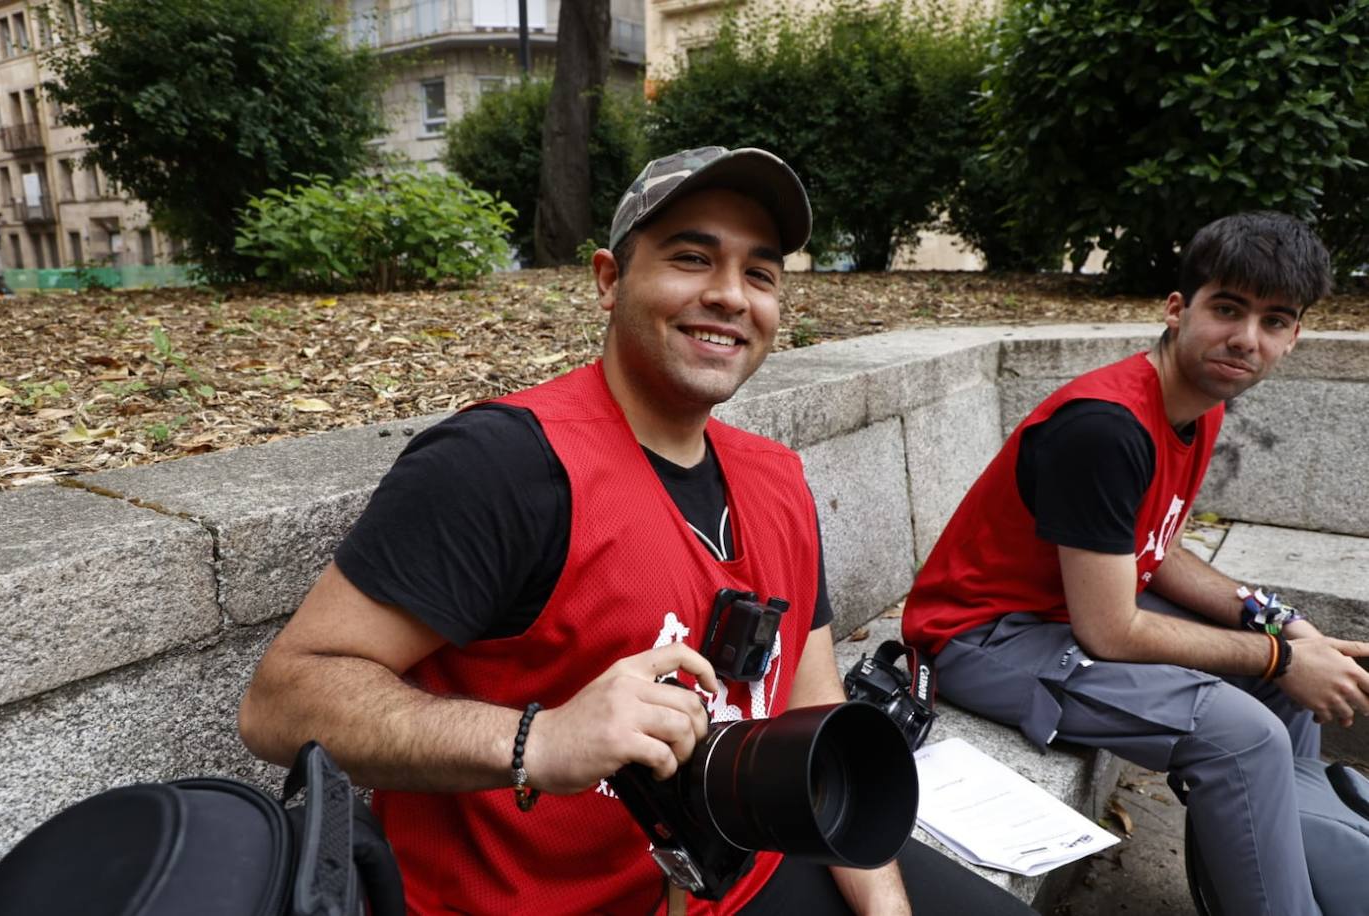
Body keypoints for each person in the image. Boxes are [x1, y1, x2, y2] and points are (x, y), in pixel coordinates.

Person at [239, 146, 1033, 916]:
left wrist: (886, 908)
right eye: (691, 258)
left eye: (759, 273)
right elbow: (280, 703)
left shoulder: (777, 479)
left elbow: (812, 714)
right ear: (610, 281)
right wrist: (538, 741)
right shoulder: (505, 464)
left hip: (742, 874)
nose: (730, 296)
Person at [902, 211, 1369, 916]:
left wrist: (1282, 624)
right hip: (979, 637)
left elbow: (1157, 547)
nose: (1247, 339)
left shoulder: (1199, 405)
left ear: (1294, 336)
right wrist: (1276, 658)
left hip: (1063, 610)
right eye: (1228, 309)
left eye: (1275, 321)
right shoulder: (1105, 426)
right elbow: (1111, 631)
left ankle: (1290, 870)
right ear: (1178, 310)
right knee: (1242, 736)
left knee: (1278, 690)